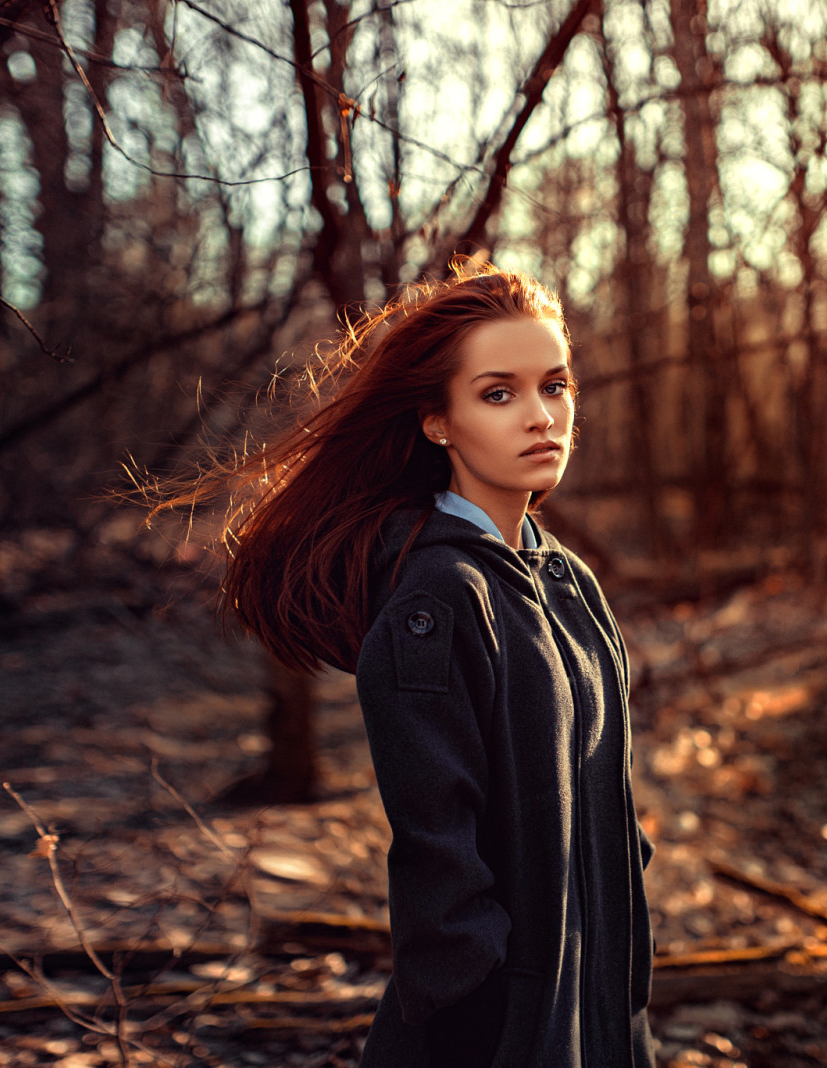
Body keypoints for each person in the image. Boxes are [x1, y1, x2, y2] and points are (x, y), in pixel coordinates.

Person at [147, 266, 656, 1067]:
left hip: (597, 1007)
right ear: (437, 422)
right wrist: (476, 1004)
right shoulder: (436, 599)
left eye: (554, 387)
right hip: (490, 1033)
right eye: (499, 393)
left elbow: (611, 805)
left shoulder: (569, 581)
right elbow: (437, 848)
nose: (541, 417)